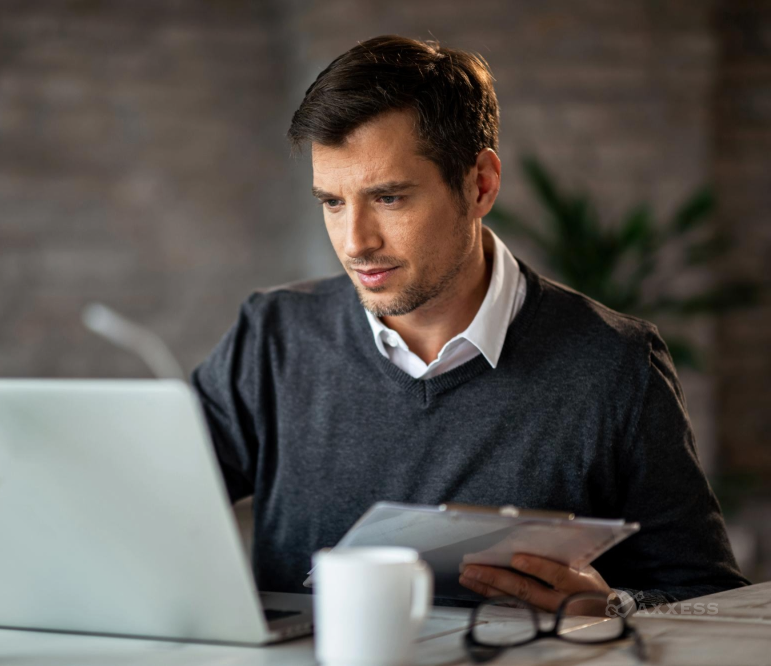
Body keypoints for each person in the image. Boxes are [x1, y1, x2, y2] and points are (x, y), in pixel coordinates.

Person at [190, 34, 750, 613]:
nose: (355, 242)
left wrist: (612, 608)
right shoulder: (272, 338)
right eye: (332, 202)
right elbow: (140, 504)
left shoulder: (614, 365)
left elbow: (712, 599)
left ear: (480, 184)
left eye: (389, 199)